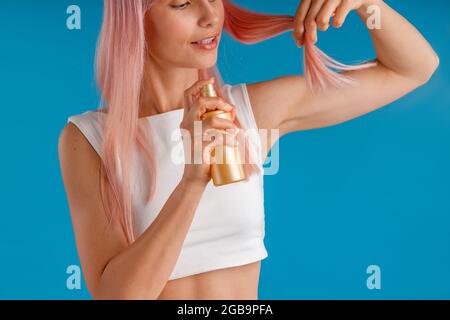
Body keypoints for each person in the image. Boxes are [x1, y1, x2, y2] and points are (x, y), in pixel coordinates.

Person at [58, 0, 439, 300]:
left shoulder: (252, 113)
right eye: (181, 4)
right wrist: (193, 181)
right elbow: (118, 296)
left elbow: (413, 69)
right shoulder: (89, 139)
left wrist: (368, 4)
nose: (210, 17)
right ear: (135, 21)